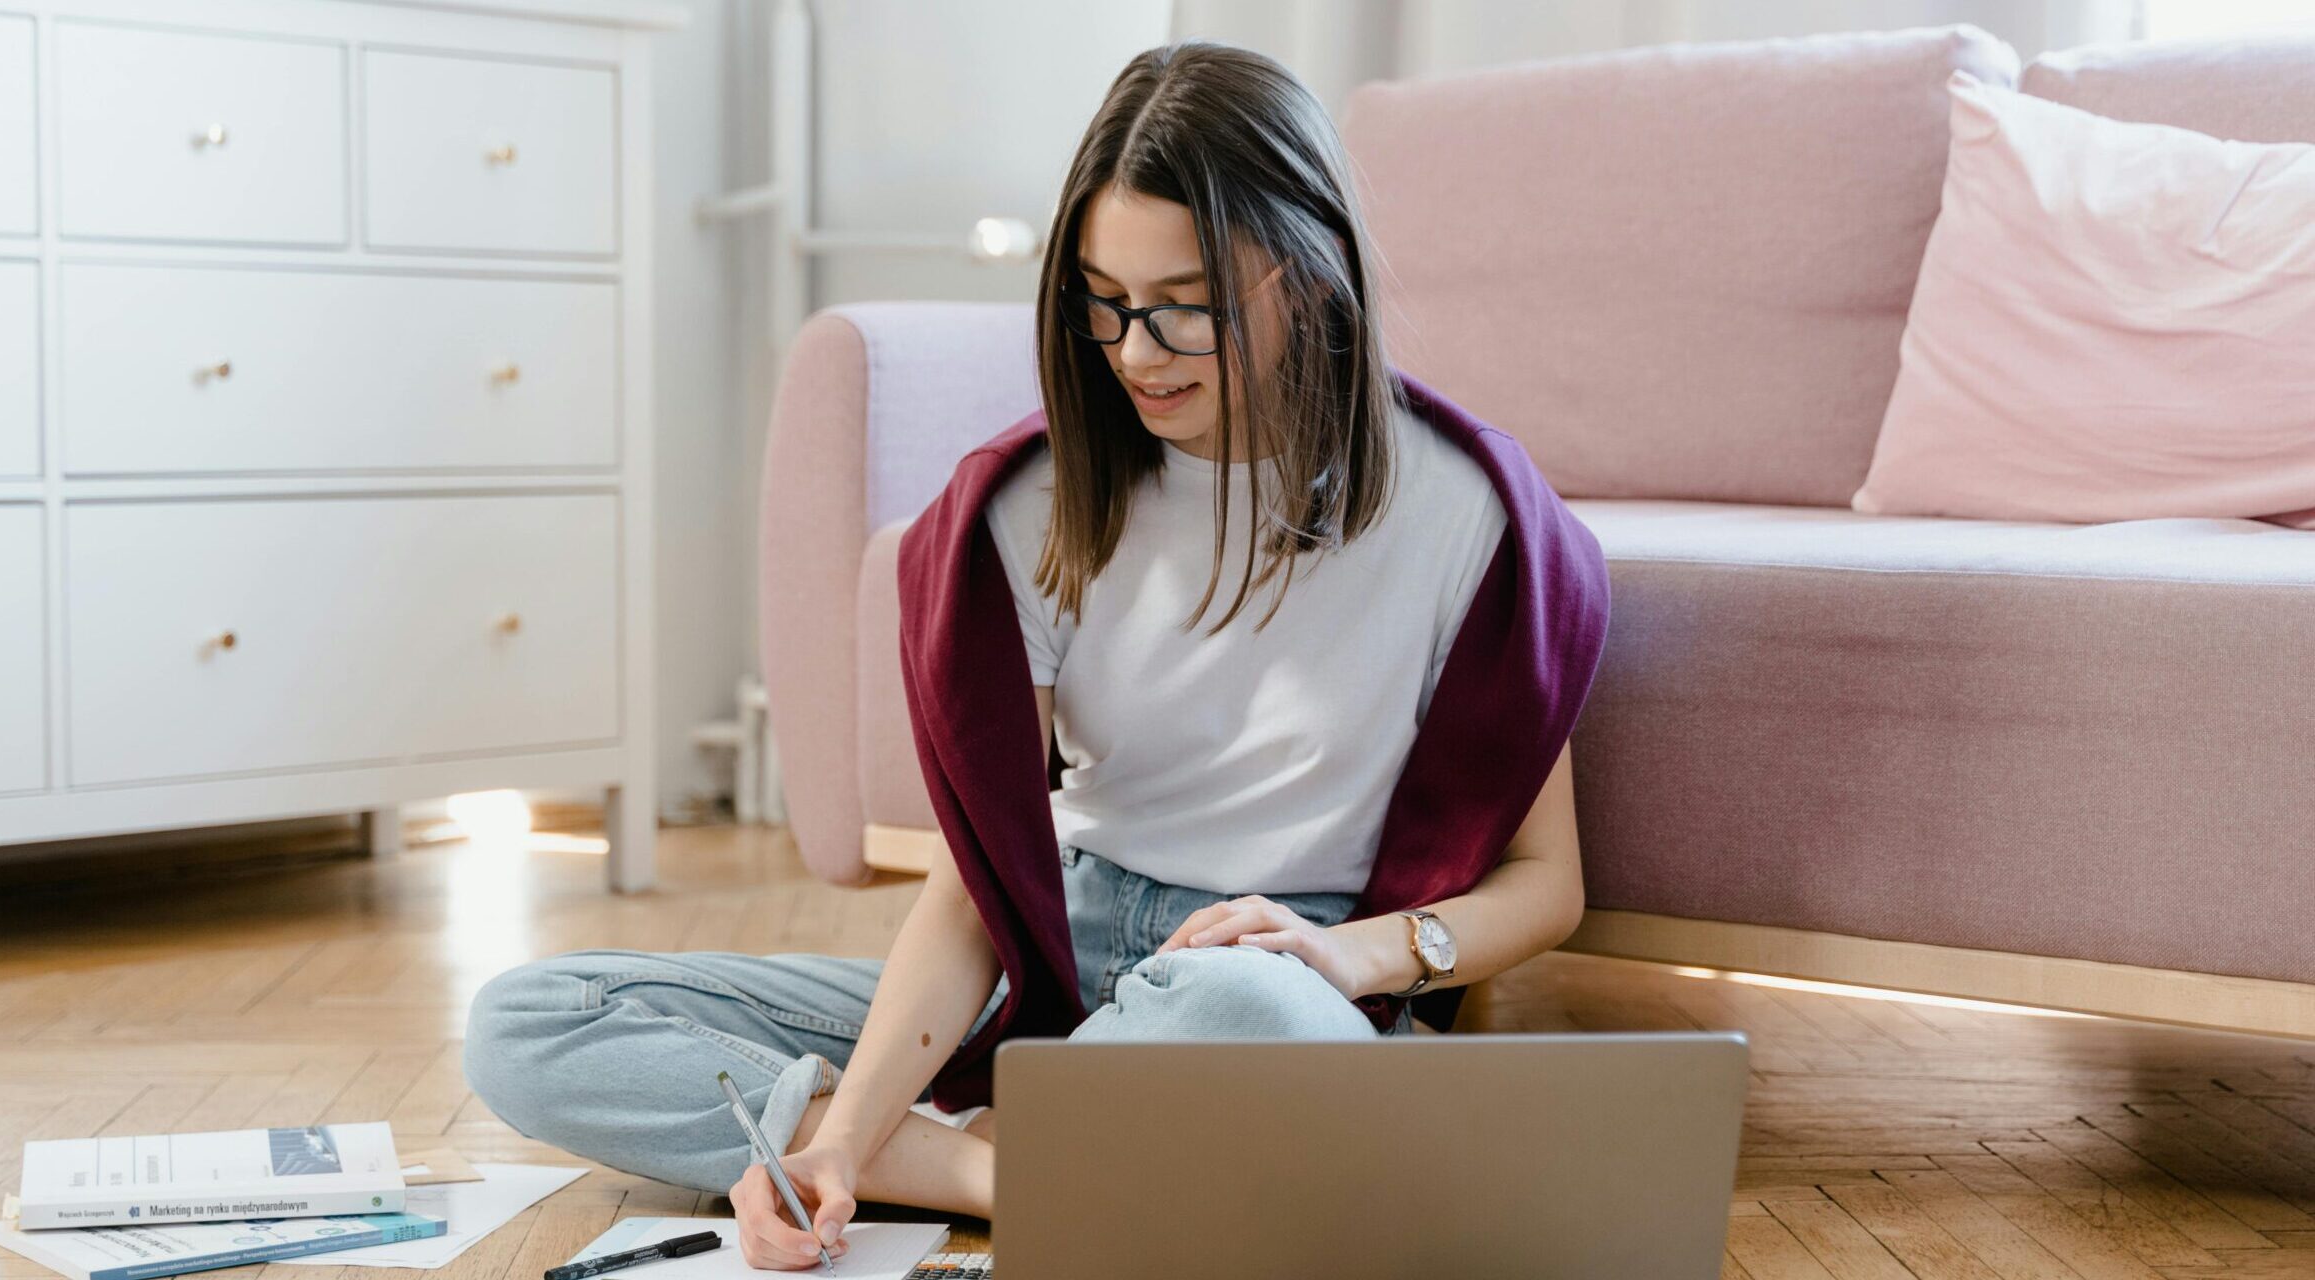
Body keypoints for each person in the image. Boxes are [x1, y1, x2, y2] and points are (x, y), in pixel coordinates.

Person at [463, 39, 1592, 1272]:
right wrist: (850, 1134)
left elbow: (1546, 880)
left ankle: (1022, 1132)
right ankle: (979, 1163)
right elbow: (973, 891)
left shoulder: (1464, 510)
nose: (1135, 351)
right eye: (1102, 301)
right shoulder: (1038, 503)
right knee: (529, 1020)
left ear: (1307, 272)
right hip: (1053, 956)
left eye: (1184, 307)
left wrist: (1345, 953)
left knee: (1250, 1011)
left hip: (1275, 979)